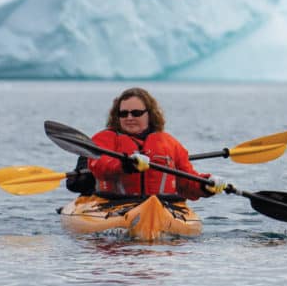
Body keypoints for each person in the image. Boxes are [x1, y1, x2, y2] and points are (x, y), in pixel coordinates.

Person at [64, 87, 213, 203]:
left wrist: (206, 185)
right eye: (124, 113)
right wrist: (126, 165)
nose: (129, 118)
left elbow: (187, 182)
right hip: (113, 204)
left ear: (150, 114)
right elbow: (100, 166)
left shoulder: (170, 143)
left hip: (163, 206)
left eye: (136, 113)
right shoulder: (104, 139)